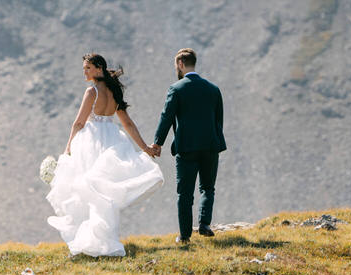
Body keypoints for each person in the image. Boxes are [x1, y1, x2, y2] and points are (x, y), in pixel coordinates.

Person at [45, 54, 164, 258]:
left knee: (87, 192)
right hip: (112, 142)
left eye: (88, 68)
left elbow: (79, 123)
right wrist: (145, 148)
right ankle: (104, 241)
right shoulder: (114, 91)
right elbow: (127, 123)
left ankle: (94, 243)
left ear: (99, 68)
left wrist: (68, 148)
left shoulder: (91, 92)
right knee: (103, 195)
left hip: (91, 142)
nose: (85, 72)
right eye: (84, 68)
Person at [149, 48, 227, 246]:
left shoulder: (176, 89)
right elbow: (219, 121)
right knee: (208, 188)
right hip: (210, 146)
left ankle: (184, 235)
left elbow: (166, 117)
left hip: (186, 148)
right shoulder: (213, 89)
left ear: (181, 64)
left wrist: (158, 143)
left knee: (185, 193)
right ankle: (204, 224)